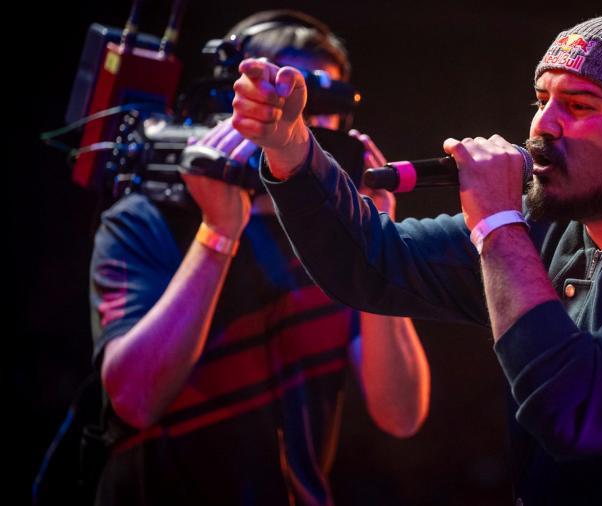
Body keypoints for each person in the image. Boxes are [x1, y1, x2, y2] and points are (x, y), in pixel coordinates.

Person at [233, 8, 602, 505]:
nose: (543, 127)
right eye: (542, 100)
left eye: (579, 106)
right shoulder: (550, 228)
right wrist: (289, 147)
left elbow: (578, 413)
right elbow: (371, 263)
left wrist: (496, 225)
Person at [89, 10, 429, 506]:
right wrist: (218, 233)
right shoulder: (145, 221)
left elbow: (401, 414)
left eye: (318, 108)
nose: (298, 126)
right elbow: (135, 402)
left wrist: (375, 238)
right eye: (282, 104)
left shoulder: (339, 235)